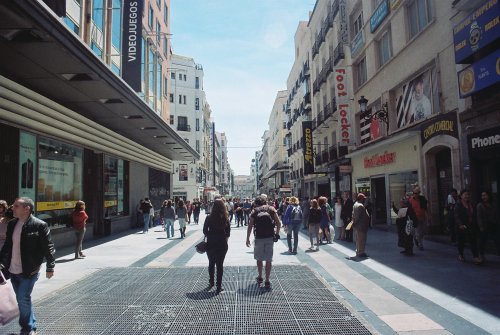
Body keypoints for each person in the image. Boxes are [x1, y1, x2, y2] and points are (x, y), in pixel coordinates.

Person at [0, 197, 55, 335]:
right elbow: (7, 246)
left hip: (30, 270)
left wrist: (50, 266)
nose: (12, 208)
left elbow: (48, 247)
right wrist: (1, 263)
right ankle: (30, 323)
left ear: (27, 209)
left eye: (16, 206)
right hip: (13, 269)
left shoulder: (39, 225)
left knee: (22, 298)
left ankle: (28, 328)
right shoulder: (12, 224)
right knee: (23, 299)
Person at [246, 195, 281, 289]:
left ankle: (260, 276)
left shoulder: (255, 211)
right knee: (269, 259)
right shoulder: (271, 209)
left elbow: (250, 225)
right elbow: (278, 223)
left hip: (259, 237)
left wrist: (247, 238)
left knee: (259, 258)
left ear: (256, 203)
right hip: (270, 237)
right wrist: (277, 234)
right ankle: (267, 280)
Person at [203, 199, 231, 294]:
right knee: (220, 265)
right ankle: (219, 286)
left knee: (211, 263)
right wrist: (224, 239)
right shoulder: (225, 217)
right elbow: (228, 232)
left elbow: (204, 231)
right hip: (222, 243)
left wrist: (211, 234)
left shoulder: (209, 217)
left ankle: (211, 282)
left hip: (211, 243)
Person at [454, 189, 481, 264]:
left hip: (470, 226)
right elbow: (456, 216)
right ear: (461, 196)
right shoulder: (458, 204)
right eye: (465, 194)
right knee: (461, 241)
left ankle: (475, 257)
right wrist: (460, 224)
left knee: (473, 241)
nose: (467, 196)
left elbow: (474, 214)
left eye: (468, 194)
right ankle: (461, 254)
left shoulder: (471, 204)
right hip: (461, 226)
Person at [476, 191, 500, 260]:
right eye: (482, 195)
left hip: (494, 225)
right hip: (484, 225)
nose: (484, 197)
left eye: (485, 195)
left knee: (497, 240)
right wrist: (481, 227)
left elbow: (496, 215)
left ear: (488, 196)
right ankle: (481, 254)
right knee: (483, 241)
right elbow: (479, 217)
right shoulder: (480, 205)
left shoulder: (493, 204)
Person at [409, 186, 428, 251]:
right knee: (419, 231)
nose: (416, 194)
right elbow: (409, 210)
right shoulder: (411, 200)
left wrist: (427, 216)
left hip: (423, 217)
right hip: (415, 218)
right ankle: (420, 244)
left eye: (417, 193)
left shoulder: (422, 199)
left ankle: (416, 238)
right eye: (414, 193)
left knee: (424, 231)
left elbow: (425, 208)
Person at [352, 193, 370, 258]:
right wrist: (354, 222)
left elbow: (354, 215)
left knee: (358, 239)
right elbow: (357, 216)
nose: (364, 200)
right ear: (361, 199)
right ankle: (361, 252)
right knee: (361, 240)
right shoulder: (360, 206)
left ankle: (359, 251)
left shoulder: (355, 204)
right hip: (361, 226)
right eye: (364, 199)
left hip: (358, 226)